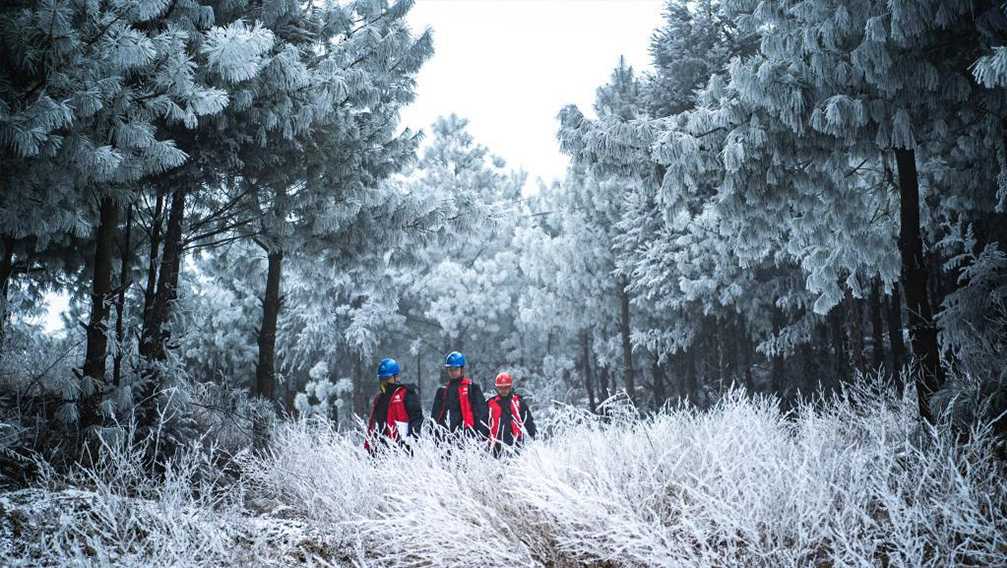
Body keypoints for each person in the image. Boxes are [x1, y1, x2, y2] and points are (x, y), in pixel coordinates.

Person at [364, 357, 423, 453]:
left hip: (401, 446)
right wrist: (370, 445)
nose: (385, 382)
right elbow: (373, 423)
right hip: (379, 447)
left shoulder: (407, 394)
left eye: (388, 378)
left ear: (396, 377)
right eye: (382, 379)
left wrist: (412, 438)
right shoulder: (379, 398)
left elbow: (417, 418)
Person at [431, 351, 488, 438]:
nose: (453, 372)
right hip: (445, 436)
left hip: (468, 436)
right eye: (450, 369)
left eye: (456, 369)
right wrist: (434, 434)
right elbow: (435, 416)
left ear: (462, 369)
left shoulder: (472, 388)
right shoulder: (442, 391)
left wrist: (481, 435)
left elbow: (481, 414)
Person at [486, 372, 536, 456]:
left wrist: (532, 434)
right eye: (500, 388)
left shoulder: (518, 402)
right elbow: (484, 422)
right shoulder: (490, 403)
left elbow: (528, 421)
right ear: (497, 388)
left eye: (506, 387)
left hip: (515, 442)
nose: (503, 390)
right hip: (495, 443)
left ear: (510, 387)